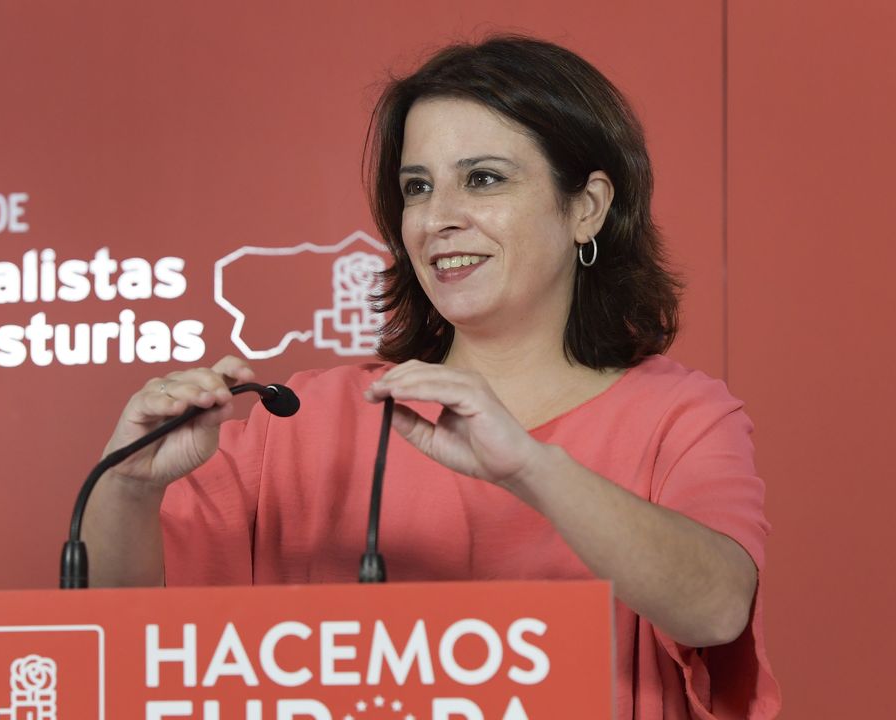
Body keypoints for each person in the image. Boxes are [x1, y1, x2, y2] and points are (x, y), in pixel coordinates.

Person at [83, 35, 780, 719]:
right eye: (418, 188)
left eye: (484, 178)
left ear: (586, 207)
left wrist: (531, 468)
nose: (438, 219)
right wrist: (129, 488)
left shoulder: (681, 416)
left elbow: (717, 610)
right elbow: (117, 637)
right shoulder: (302, 418)